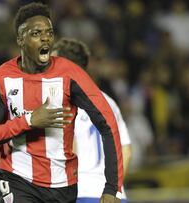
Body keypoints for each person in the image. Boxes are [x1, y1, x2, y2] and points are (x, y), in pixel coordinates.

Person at [0, 3, 123, 203]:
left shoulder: (71, 75)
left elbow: (108, 124)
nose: (45, 37)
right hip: (16, 177)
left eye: (49, 32)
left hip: (62, 184)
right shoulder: (1, 78)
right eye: (36, 33)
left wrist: (112, 187)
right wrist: (28, 121)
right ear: (20, 39)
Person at [52, 38, 132, 203]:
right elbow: (126, 151)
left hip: (80, 193)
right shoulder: (108, 101)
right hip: (114, 196)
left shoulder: (61, 100)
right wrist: (114, 187)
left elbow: (67, 149)